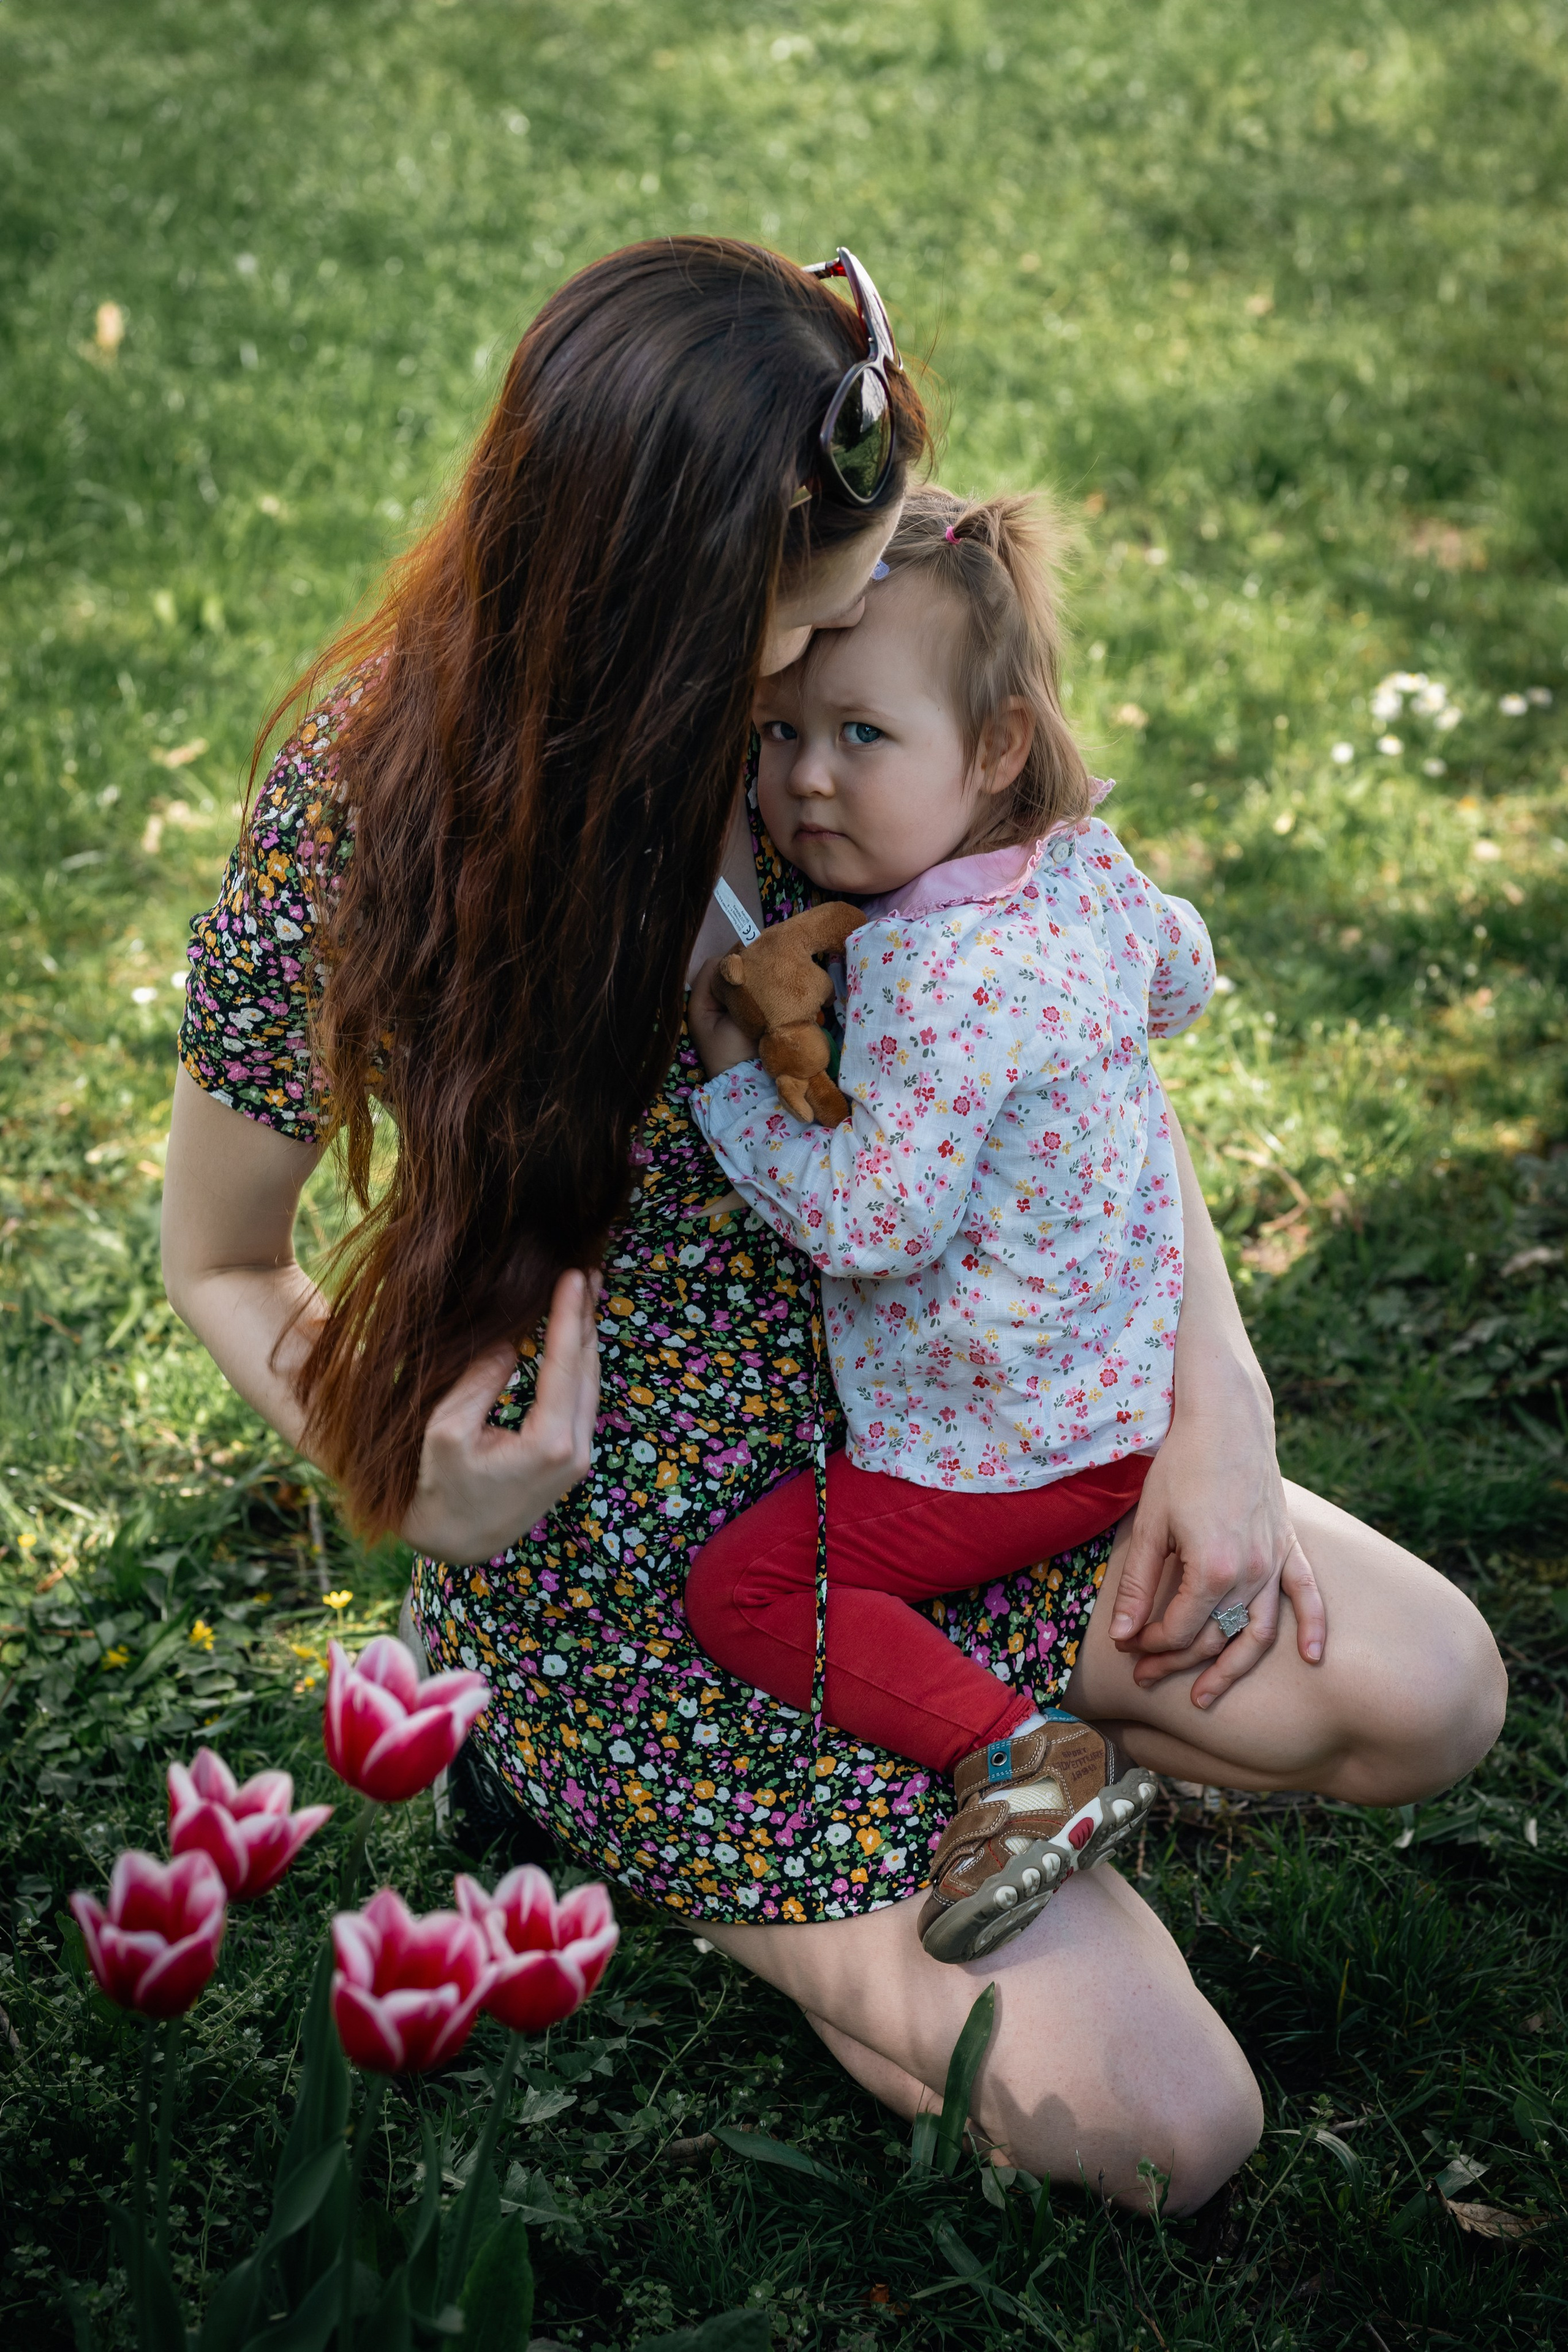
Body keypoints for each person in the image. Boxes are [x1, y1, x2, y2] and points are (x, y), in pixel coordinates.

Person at [160, 235, 1507, 2218]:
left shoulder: (886, 599)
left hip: (960, 1411)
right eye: (803, 621)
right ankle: (644, 1814)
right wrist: (406, 1484)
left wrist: (1211, 1409)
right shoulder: (378, 805)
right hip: (657, 1556)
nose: (851, 638)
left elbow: (1076, 1032)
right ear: (668, 593)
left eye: (871, 579)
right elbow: (218, 1256)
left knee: (1427, 1687)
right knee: (1172, 2129)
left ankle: (995, 1780)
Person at [682, 486, 1223, 1966]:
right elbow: (1181, 973)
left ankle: (1015, 1756)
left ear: (989, 750)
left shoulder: (933, 977)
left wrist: (732, 1081)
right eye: (779, 735)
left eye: (863, 737)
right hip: (1116, 1378)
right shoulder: (1080, 868)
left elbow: (871, 1222)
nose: (805, 782)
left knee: (748, 1588)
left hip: (1007, 1440)